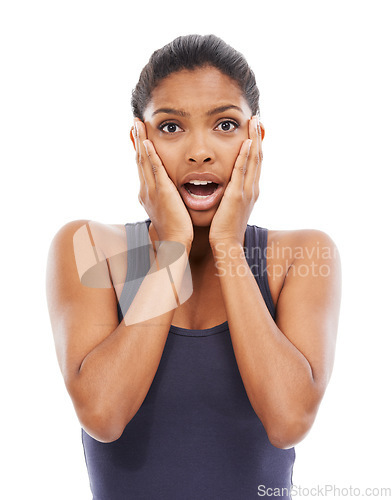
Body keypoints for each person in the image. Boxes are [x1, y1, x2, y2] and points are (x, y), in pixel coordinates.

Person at [46, 34, 342, 499]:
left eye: (225, 125)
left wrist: (227, 243)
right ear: (139, 141)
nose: (199, 151)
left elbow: (288, 422)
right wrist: (173, 245)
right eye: (170, 128)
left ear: (256, 138)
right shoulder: (90, 247)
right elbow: (103, 415)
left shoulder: (300, 255)